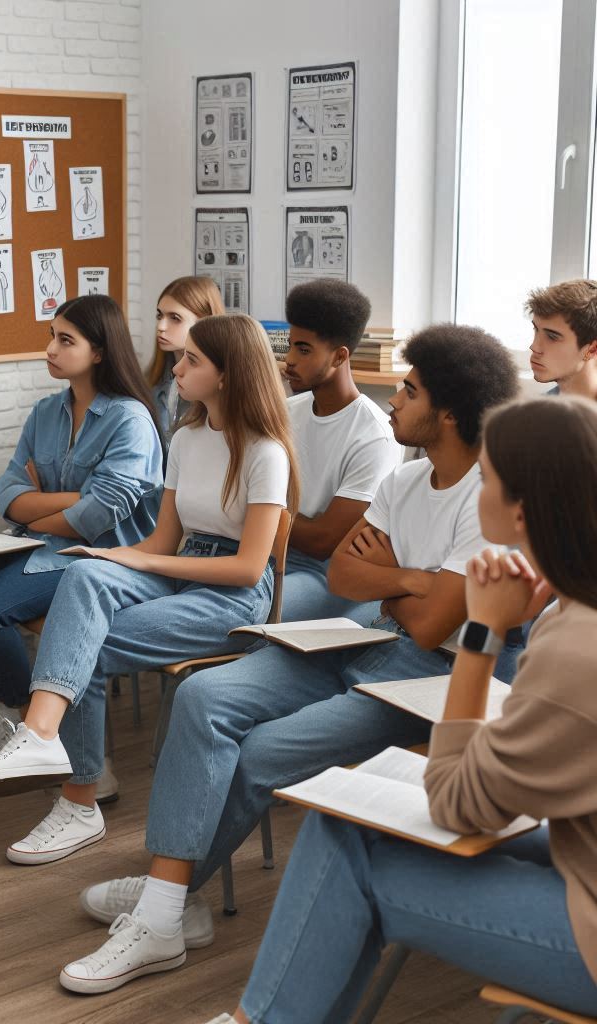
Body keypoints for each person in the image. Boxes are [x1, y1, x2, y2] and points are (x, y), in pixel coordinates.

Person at [63, 324, 522, 994]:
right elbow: (344, 575)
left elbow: (430, 629)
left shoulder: (488, 499)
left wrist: (398, 584)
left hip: (438, 679)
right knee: (203, 697)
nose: (392, 396)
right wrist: (416, 581)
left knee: (263, 751)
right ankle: (170, 900)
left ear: (449, 413)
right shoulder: (406, 481)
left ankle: (164, 904)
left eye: (411, 389)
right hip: (371, 640)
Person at [202, 395, 597, 1024]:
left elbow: (459, 803)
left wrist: (481, 635)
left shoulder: (573, 643)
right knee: (346, 822)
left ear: (520, 510)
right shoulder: (569, 613)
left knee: (350, 847)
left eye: (486, 479)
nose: (474, 490)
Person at [0, 314, 299, 869]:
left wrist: (139, 559)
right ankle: (42, 735)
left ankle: (77, 798)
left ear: (229, 374)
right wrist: (115, 557)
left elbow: (245, 568)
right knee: (84, 575)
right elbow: (165, 536)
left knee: (83, 643)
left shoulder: (266, 452)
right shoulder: (187, 438)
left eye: (192, 359)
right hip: (182, 564)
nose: (176, 365)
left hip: (233, 598)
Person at [0, 294, 162, 784]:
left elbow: (99, 517)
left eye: (65, 340)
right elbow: (9, 495)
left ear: (99, 352)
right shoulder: (45, 413)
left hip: (100, 559)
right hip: (41, 546)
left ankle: (44, 732)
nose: (50, 349)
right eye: (51, 336)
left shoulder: (129, 420)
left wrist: (45, 506)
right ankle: (15, 712)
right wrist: (70, 499)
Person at [280, 278, 402, 622]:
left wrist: (258, 510)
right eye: (289, 346)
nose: (289, 360)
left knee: (240, 606)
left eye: (304, 350)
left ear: (339, 356)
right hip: (271, 554)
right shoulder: (290, 411)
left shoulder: (374, 435)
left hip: (323, 577)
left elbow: (323, 541)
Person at [145, 276, 225, 442]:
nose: (161, 327)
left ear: (205, 322)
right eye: (159, 316)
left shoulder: (217, 388)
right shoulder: (150, 383)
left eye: (175, 318)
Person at [526, 279, 597, 398]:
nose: (534, 347)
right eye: (536, 329)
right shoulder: (536, 412)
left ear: (592, 350)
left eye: (552, 337)